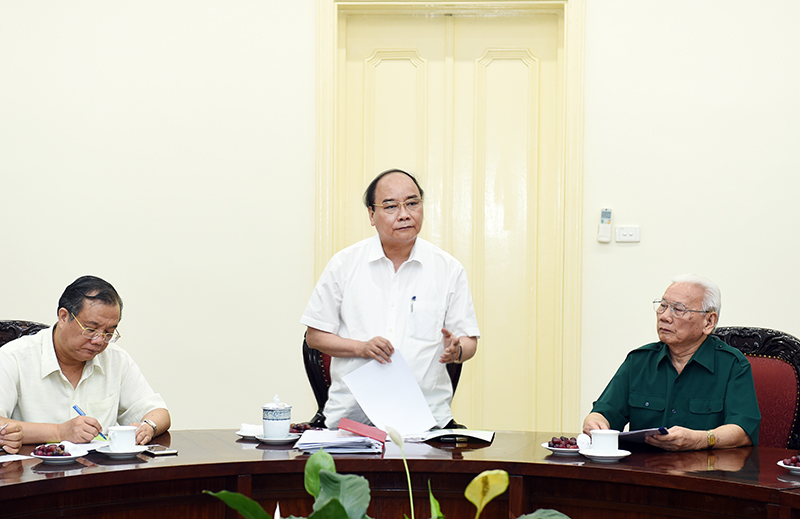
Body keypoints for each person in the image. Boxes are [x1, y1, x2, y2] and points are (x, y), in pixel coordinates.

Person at [301, 168, 481, 429]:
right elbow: (314, 336)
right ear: (372, 215)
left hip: (427, 420)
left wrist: (458, 350)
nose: (405, 214)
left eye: (412, 203)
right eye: (391, 206)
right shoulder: (344, 264)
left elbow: (469, 341)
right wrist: (361, 348)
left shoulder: (448, 269)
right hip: (353, 420)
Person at [583, 274, 760, 451]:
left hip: (706, 472)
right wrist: (594, 422)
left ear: (708, 321)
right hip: (643, 471)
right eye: (663, 306)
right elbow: (604, 413)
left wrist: (700, 439)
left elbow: (743, 431)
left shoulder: (732, 365)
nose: (665, 316)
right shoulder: (638, 361)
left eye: (678, 309)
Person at [0, 276, 170, 445]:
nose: (99, 340)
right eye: (91, 329)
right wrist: (59, 432)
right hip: (33, 468)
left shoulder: (115, 359)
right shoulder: (14, 357)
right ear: (64, 316)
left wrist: (148, 427)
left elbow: (158, 412)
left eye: (109, 333)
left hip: (99, 469)